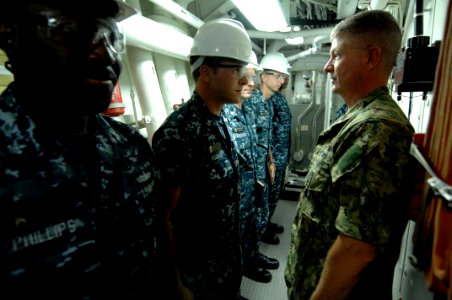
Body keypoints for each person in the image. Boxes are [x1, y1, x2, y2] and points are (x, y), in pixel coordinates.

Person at [0, 0, 162, 299]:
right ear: (12, 36)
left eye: (113, 38)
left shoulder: (130, 146)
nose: (106, 54)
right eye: (75, 31)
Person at [284, 10, 415, 300]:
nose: (327, 67)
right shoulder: (357, 119)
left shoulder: (378, 129)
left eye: (336, 55)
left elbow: (357, 248)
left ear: (371, 57)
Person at [152, 19, 252, 300]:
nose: (244, 79)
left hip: (227, 266)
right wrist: (175, 284)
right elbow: (163, 219)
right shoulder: (179, 132)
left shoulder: (224, 119)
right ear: (206, 72)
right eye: (236, 70)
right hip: (198, 278)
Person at [223, 51, 278, 284]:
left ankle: (252, 256)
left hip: (253, 180)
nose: (250, 82)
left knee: (252, 224)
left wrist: (268, 163)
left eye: (252, 76)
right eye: (244, 74)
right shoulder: (224, 114)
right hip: (237, 192)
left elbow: (258, 141)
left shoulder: (245, 109)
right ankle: (245, 263)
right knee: (238, 234)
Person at [265, 53, 292, 243]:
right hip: (272, 157)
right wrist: (271, 160)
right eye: (278, 76)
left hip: (281, 156)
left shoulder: (278, 97)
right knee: (267, 197)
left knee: (275, 195)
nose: (282, 81)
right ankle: (263, 228)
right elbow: (265, 134)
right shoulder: (266, 100)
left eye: (284, 77)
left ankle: (267, 222)